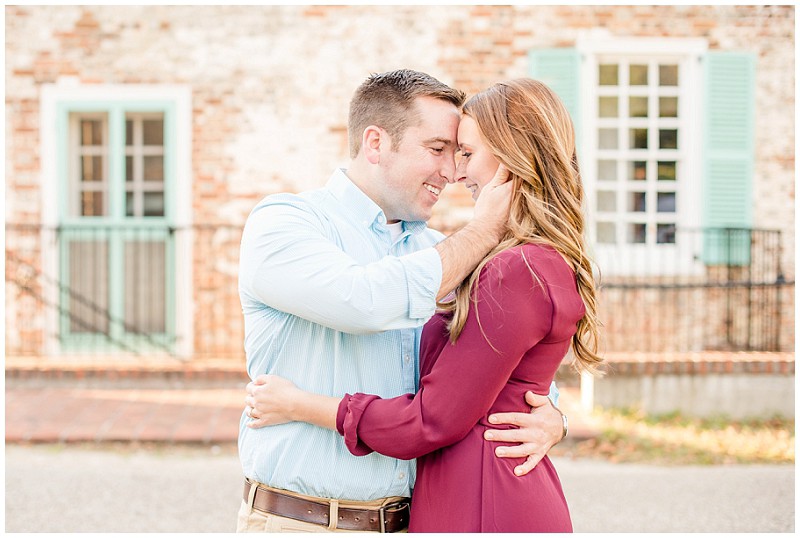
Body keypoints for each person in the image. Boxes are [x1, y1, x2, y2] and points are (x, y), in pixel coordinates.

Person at [244, 78, 603, 532]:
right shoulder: (286, 224)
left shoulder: (447, 254)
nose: (453, 172)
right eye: (438, 149)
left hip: (414, 518)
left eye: (461, 152)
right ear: (375, 143)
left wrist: (554, 417)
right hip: (303, 523)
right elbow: (364, 302)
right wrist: (481, 234)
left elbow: (501, 369)